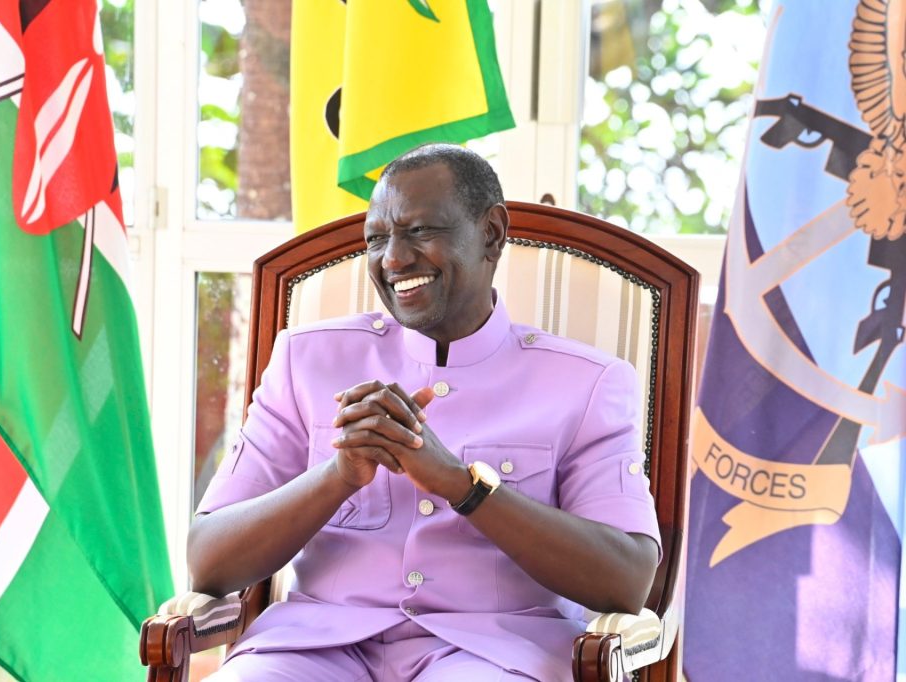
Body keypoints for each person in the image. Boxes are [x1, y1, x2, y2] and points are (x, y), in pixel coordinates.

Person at [189, 144, 661, 681]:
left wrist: (464, 486)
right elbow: (210, 560)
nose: (392, 259)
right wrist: (339, 475)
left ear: (491, 233)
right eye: (375, 239)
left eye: (418, 231)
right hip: (312, 653)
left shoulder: (587, 383)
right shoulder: (307, 359)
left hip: (493, 657)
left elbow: (626, 580)